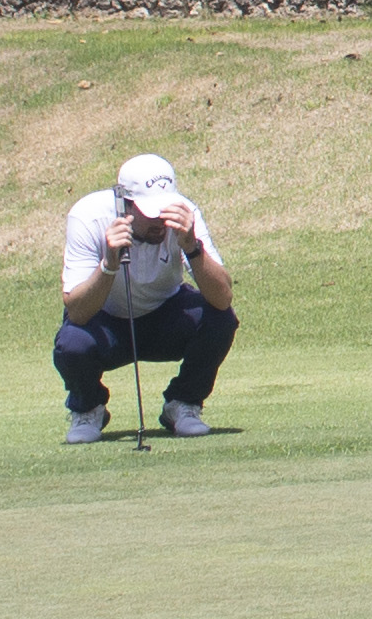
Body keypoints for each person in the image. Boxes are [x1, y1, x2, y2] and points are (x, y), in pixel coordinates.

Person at [55, 153, 237, 442]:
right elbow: (77, 311)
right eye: (151, 212)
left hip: (165, 317)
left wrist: (191, 246)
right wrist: (109, 265)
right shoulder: (88, 216)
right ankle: (88, 409)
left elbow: (223, 297)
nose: (161, 222)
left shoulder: (183, 214)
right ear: (125, 204)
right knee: (72, 344)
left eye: (164, 210)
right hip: (106, 323)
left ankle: (184, 403)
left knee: (220, 320)